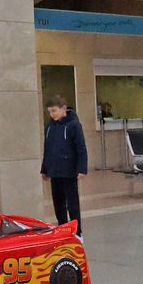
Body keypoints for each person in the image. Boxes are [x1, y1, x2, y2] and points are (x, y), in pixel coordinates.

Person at [41, 97, 88, 234]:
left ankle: (77, 231)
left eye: (54, 111)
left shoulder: (74, 125)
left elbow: (81, 148)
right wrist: (45, 169)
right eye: (50, 112)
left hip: (69, 171)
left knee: (72, 203)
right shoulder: (49, 127)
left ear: (63, 108)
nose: (52, 114)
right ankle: (62, 227)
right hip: (55, 171)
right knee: (58, 202)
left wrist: (82, 168)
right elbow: (47, 149)